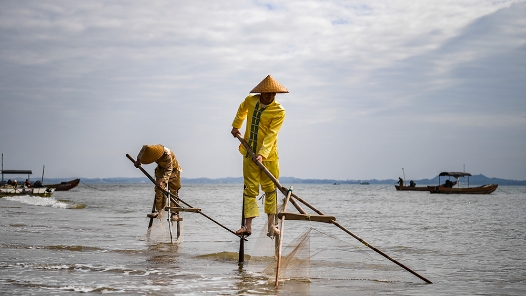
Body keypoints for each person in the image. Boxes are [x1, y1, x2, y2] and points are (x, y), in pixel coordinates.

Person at [231, 75, 288, 238]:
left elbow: (272, 134)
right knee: (250, 189)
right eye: (268, 93)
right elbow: (242, 109)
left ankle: (271, 227)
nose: (270, 96)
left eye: (273, 94)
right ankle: (248, 227)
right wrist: (236, 126)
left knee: (271, 190)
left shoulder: (279, 111)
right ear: (261, 92)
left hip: (269, 157)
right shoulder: (251, 100)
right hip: (249, 152)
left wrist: (262, 154)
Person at [134, 144, 182, 221]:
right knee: (159, 189)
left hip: (173, 170)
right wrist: (138, 160)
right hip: (160, 169)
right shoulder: (148, 148)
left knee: (173, 191)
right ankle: (159, 211)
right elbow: (142, 150)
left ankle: (174, 213)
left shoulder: (168, 155)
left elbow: (169, 170)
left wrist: (163, 180)